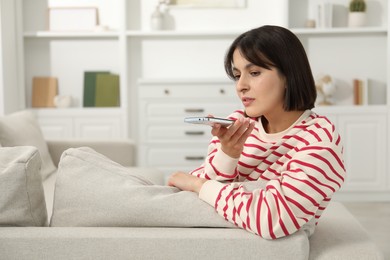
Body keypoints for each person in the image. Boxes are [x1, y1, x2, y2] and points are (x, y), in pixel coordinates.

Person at [168, 25, 346, 239]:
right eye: (237, 75)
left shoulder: (319, 140)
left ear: (289, 74)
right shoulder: (237, 124)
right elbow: (193, 199)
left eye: (254, 73)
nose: (240, 85)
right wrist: (227, 155)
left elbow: (273, 219)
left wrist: (199, 184)